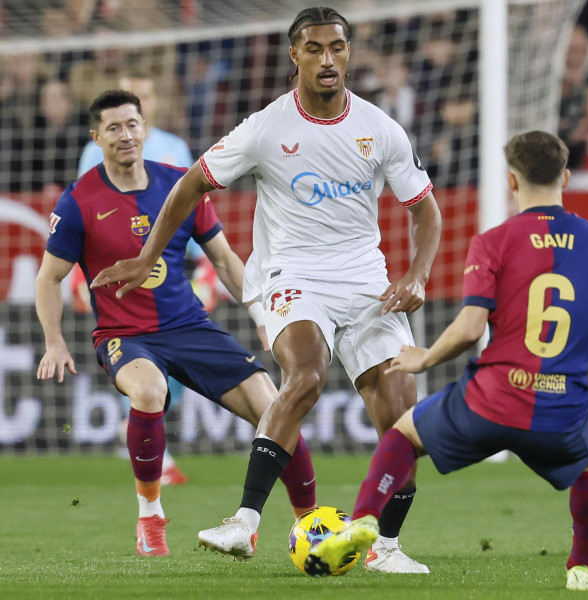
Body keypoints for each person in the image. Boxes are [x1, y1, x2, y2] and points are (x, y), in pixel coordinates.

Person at [90, 7, 442, 573]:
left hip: (364, 279)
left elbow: (426, 212)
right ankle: (244, 523)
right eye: (314, 48)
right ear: (295, 56)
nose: (327, 59)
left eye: (337, 47)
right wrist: (148, 256)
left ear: (348, 53)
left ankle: (386, 547)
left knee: (401, 418)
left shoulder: (380, 127)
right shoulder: (266, 128)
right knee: (305, 374)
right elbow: (189, 185)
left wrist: (418, 274)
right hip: (292, 273)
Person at [304, 130, 588, 590]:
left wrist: (425, 359)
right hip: (561, 409)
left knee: (403, 436)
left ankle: (364, 519)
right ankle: (581, 566)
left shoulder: (493, 241)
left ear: (512, 182)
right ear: (565, 176)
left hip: (492, 400)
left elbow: (470, 328)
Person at [35, 89, 317, 557]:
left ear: (144, 128)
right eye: (113, 128)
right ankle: (150, 517)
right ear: (95, 137)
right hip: (124, 335)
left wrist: (265, 317)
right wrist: (53, 341)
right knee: (149, 392)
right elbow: (48, 278)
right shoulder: (78, 201)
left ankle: (311, 523)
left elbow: (225, 260)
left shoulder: (179, 185)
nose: (125, 135)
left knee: (277, 407)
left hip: (189, 327)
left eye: (132, 124)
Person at [76, 72, 196, 486]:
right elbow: (81, 214)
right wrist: (78, 275)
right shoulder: (95, 153)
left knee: (176, 367)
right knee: (137, 362)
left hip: (171, 275)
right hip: (117, 279)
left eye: (144, 97)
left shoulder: (175, 148)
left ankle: (145, 434)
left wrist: (206, 270)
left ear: (150, 107)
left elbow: (190, 210)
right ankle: (150, 447)